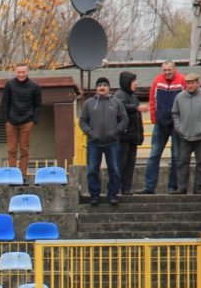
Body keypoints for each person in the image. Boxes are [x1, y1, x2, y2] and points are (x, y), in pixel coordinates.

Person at [79, 76, 128, 206]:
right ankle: (94, 196)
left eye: (105, 85)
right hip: (94, 142)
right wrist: (91, 133)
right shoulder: (88, 103)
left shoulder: (116, 102)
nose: (102, 87)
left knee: (115, 170)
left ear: (109, 87)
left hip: (112, 142)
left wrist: (115, 132)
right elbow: (82, 121)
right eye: (99, 85)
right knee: (92, 170)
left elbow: (124, 120)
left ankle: (113, 195)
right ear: (96, 88)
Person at [140, 61, 186, 194]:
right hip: (160, 124)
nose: (166, 72)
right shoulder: (157, 81)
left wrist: (181, 122)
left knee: (176, 156)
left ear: (174, 69)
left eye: (169, 70)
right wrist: (154, 119)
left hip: (176, 124)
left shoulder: (182, 80)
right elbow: (152, 100)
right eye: (164, 70)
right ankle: (149, 187)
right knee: (154, 155)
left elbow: (185, 101)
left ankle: (173, 186)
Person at [171, 73, 201, 194]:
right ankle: (182, 188)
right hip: (184, 135)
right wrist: (179, 128)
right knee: (182, 162)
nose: (190, 85)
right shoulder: (179, 97)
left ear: (198, 83)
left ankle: (198, 188)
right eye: (188, 83)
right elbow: (175, 113)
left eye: (192, 83)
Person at [1, 63, 41, 177]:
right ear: (15, 72)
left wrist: (34, 121)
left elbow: (37, 105)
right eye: (19, 72)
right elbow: (5, 102)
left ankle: (23, 175)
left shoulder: (35, 86)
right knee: (12, 149)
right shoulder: (9, 84)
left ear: (27, 72)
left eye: (23, 72)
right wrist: (6, 119)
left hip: (27, 121)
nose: (21, 74)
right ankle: (13, 175)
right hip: (11, 121)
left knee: (24, 149)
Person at [114, 71, 146, 195]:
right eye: (133, 81)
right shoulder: (120, 95)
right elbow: (120, 107)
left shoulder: (133, 96)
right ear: (127, 82)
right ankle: (116, 188)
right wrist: (136, 108)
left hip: (132, 137)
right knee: (121, 163)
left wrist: (140, 135)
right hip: (123, 137)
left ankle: (126, 188)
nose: (136, 84)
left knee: (130, 164)